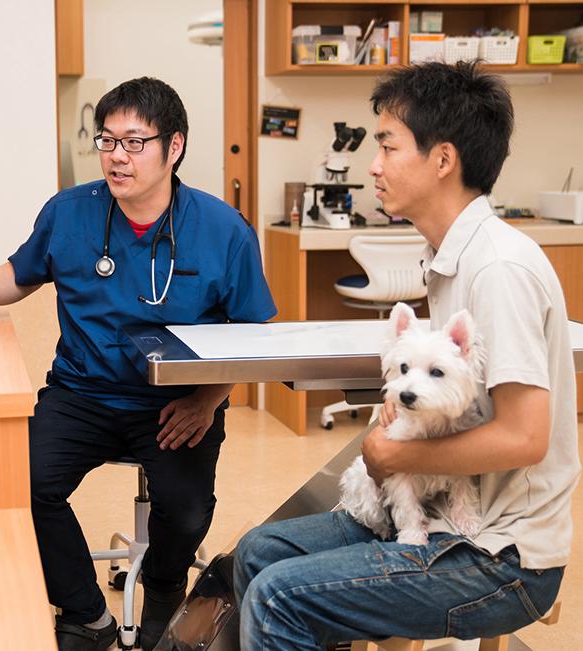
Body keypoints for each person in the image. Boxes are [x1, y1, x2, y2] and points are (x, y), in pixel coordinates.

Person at [0, 77, 276, 651]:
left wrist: (208, 400)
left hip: (176, 403)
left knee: (185, 510)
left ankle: (166, 589)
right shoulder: (70, 212)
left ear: (173, 147)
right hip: (83, 392)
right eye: (106, 140)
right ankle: (86, 615)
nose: (116, 156)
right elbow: (20, 273)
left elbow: (252, 335)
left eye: (133, 142)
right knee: (19, 482)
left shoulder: (223, 230)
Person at [233, 61, 579, 650]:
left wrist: (392, 454)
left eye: (388, 146)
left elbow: (526, 439)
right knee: (256, 553)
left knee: (277, 596)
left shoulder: (497, 269)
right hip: (436, 512)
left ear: (443, 160)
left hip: (500, 554)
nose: (373, 165)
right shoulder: (448, 256)